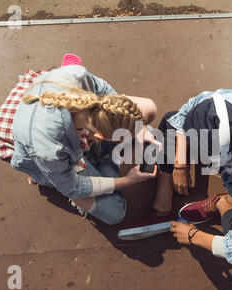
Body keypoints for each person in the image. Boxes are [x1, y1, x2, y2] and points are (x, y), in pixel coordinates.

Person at [119, 89, 232, 268]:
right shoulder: (218, 101)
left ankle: (224, 203)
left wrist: (193, 235)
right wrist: (180, 165)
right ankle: (162, 208)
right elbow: (185, 114)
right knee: (170, 120)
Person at [11, 54, 159, 225]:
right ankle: (108, 164)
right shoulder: (50, 148)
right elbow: (71, 187)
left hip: (65, 131)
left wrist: (142, 128)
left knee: (148, 110)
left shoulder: (78, 74)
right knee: (115, 213)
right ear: (98, 137)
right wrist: (128, 180)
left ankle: (104, 166)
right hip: (53, 161)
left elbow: (108, 93)